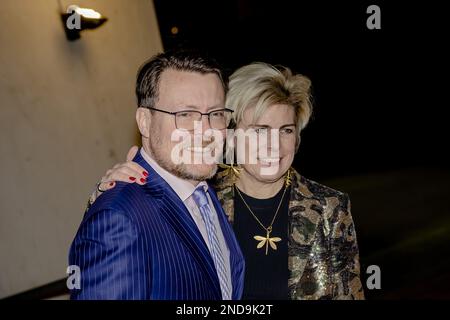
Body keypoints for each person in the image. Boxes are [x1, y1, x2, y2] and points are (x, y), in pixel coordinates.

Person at [91, 62, 364, 299]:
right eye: (260, 130)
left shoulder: (329, 207)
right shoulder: (200, 194)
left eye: (286, 130)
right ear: (231, 135)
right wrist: (108, 190)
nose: (274, 145)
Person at [69, 51, 245, 300]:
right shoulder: (118, 219)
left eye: (215, 114)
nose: (207, 132)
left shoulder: (204, 192)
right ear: (144, 121)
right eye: (185, 115)